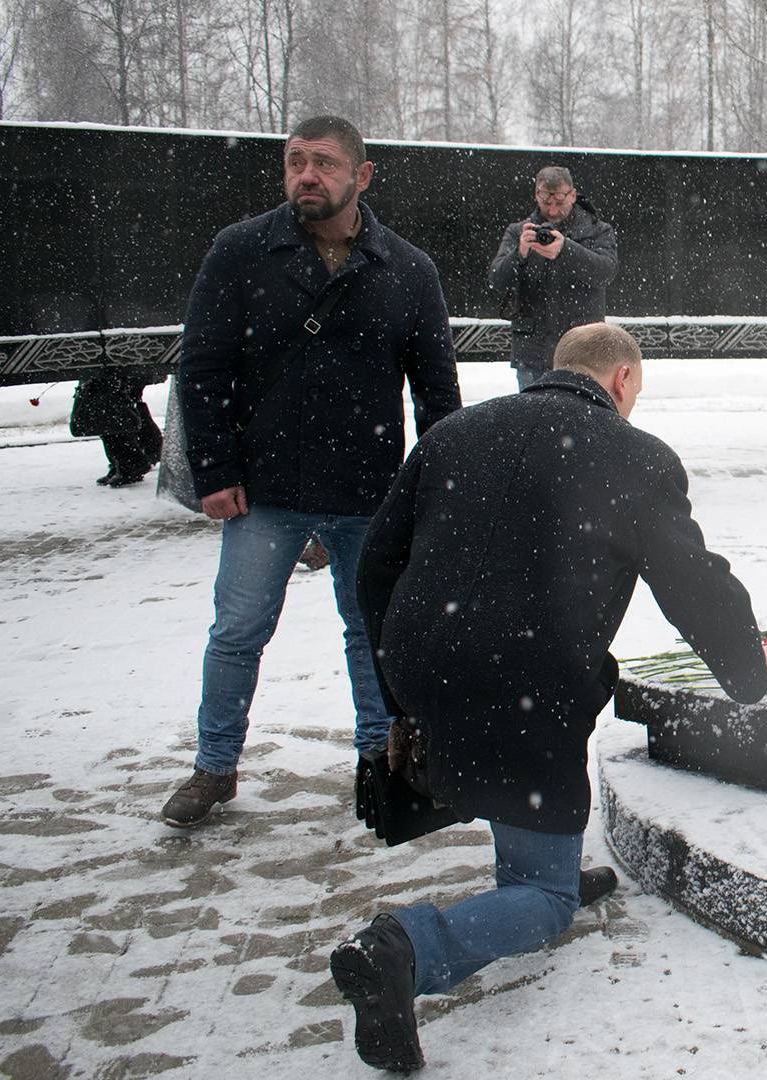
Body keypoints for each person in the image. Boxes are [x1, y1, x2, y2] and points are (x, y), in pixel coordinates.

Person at [330, 322, 767, 1072]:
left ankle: (533, 857)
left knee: (512, 749)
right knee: (545, 902)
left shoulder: (459, 431)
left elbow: (377, 563)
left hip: (432, 657)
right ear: (620, 382)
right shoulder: (634, 456)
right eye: (634, 394)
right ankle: (407, 949)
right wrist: (750, 671)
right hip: (523, 681)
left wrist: (402, 676)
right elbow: (694, 584)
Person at [162, 115, 463, 829]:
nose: (306, 175)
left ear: (360, 176)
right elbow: (201, 367)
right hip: (265, 488)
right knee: (237, 630)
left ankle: (376, 762)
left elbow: (436, 389)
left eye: (323, 163)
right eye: (295, 162)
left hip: (370, 489)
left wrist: (440, 489)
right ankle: (215, 766)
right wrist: (214, 469)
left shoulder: (408, 269)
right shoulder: (239, 252)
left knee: (371, 631)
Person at [486, 166, 619, 389]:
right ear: (537, 195)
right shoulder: (519, 232)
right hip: (532, 352)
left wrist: (566, 250)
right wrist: (519, 254)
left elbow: (606, 272)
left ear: (573, 195)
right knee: (533, 421)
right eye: (546, 202)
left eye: (559, 201)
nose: (553, 210)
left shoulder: (598, 231)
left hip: (583, 350)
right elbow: (497, 279)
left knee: (582, 422)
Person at [70, 368, 162, 487]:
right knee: (122, 402)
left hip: (113, 363)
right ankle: (139, 454)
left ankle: (130, 461)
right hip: (126, 362)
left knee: (108, 405)